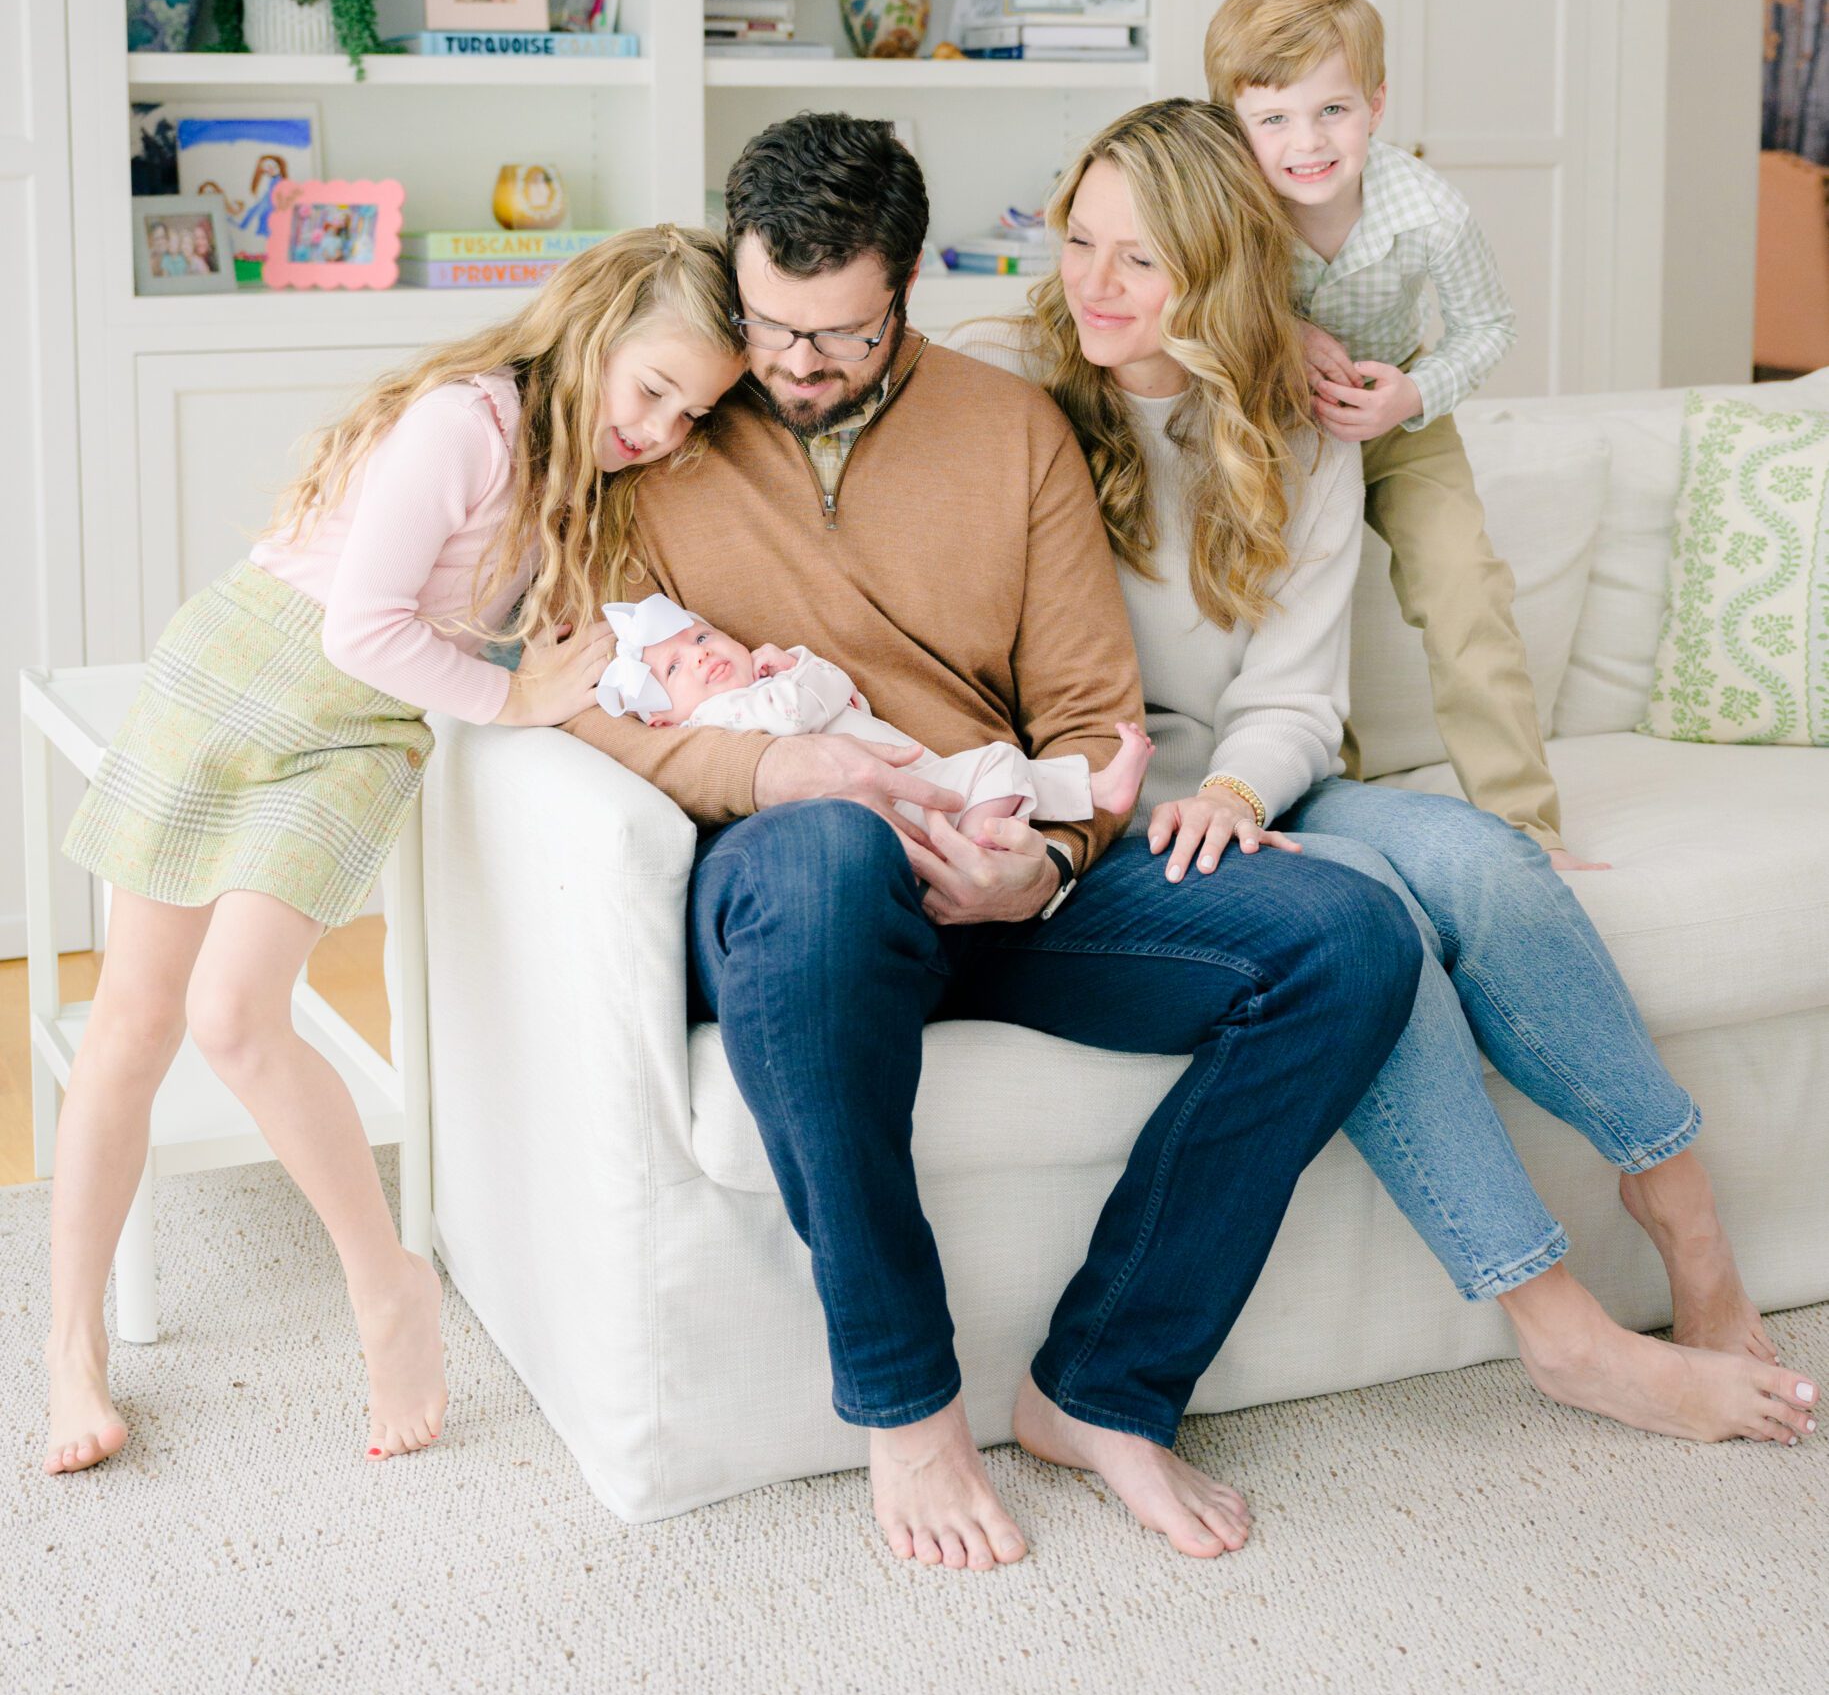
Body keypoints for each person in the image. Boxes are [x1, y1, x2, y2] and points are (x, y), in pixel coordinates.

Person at [566, 110, 1422, 1568]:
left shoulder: (1008, 425)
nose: (793, 364)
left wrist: (1048, 859)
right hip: (802, 897)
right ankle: (907, 1404)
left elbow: (1093, 720)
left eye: (838, 333)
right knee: (831, 845)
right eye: (770, 322)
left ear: (903, 289)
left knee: (1346, 940)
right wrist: (770, 762)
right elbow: (574, 693)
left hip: (996, 870)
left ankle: (1100, 1387)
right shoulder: (653, 428)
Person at [960, 99, 1816, 1453]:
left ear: (1221, 267)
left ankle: (1686, 1223)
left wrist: (1237, 795)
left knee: (1481, 856)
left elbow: (1297, 693)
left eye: (1142, 256)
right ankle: (1563, 1331)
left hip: (1249, 786)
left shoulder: (1300, 417)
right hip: (1099, 821)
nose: (1095, 283)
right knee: (1366, 910)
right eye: (1081, 241)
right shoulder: (1006, 402)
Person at [42, 227, 746, 1479]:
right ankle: (70, 1347)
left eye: (691, 412)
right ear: (593, 323)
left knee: (234, 1017)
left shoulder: (585, 480)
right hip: (234, 673)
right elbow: (365, 624)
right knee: (131, 1020)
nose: (663, 428)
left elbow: (466, 646)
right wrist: (515, 698)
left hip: (353, 734)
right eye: (653, 390)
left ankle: (388, 1285)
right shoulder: (467, 423)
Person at [1204, 0, 1596, 875]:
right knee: (1278, 608)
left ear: (1375, 106)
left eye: (1332, 110)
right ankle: (1310, 798)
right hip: (1272, 424)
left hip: (1399, 414)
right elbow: (1187, 296)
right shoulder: (1223, 203)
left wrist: (1411, 397)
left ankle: (1526, 826)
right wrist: (1284, 328)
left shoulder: (1430, 212)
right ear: (1234, 122)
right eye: (1274, 119)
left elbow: (1488, 324)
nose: (1306, 142)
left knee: (1465, 589)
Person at [594, 591, 1155, 840]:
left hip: (918, 780)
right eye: (673, 669)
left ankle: (1098, 790)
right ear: (663, 722)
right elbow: (800, 709)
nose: (699, 654)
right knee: (996, 768)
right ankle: (979, 845)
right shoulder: (720, 721)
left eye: (701, 635)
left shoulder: (761, 688)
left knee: (1000, 763)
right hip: (895, 806)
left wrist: (794, 664)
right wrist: (800, 667)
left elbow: (837, 689)